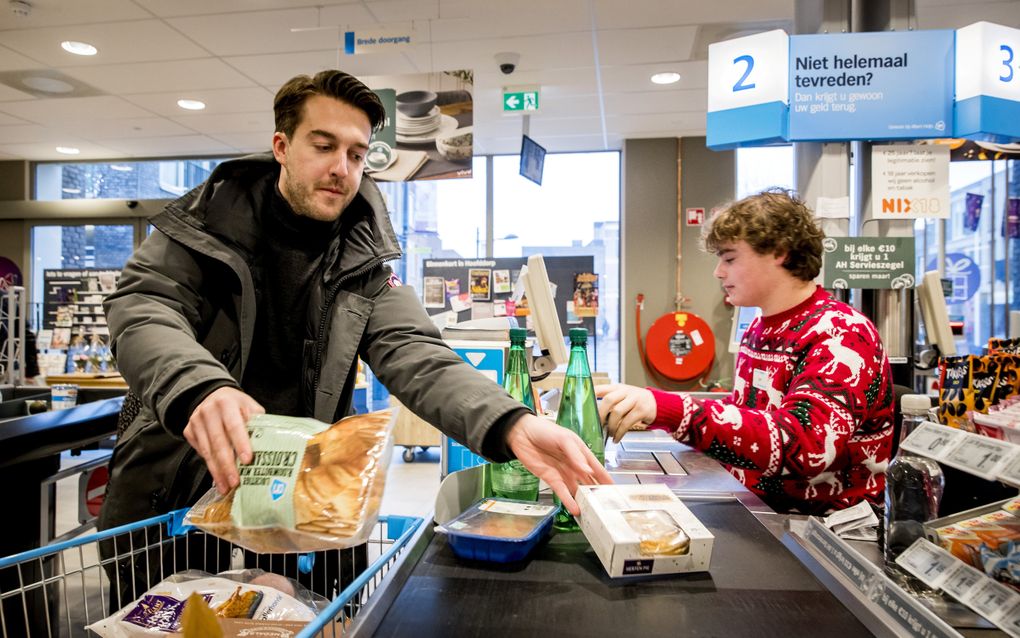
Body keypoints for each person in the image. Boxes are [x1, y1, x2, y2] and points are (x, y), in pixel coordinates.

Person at [98, 70, 609, 601]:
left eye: (357, 154)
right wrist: (199, 387)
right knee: (165, 622)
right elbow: (143, 306)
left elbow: (417, 352)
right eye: (324, 146)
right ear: (282, 146)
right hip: (173, 487)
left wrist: (509, 421)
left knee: (289, 617)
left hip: (296, 493)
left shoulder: (363, 258)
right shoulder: (203, 227)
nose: (342, 168)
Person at [596, 190, 893, 515]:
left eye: (730, 258)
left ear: (779, 252)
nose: (718, 272)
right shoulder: (760, 328)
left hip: (825, 528)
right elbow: (749, 414)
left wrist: (671, 409)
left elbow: (806, 447)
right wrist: (652, 412)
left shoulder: (841, 332)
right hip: (759, 506)